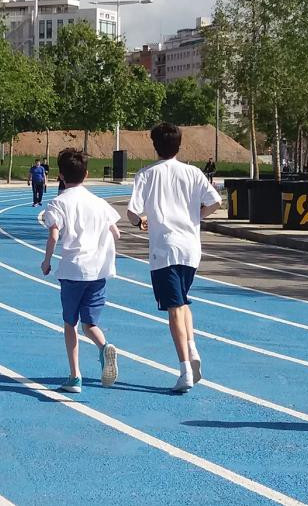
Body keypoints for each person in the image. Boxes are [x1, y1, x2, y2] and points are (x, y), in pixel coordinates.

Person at [127, 122, 223, 393]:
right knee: (182, 301)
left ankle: (184, 370)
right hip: (191, 248)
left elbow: (132, 212)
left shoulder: (146, 175)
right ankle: (192, 348)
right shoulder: (193, 172)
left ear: (154, 145)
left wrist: (140, 222)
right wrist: (196, 218)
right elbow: (216, 202)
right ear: (179, 145)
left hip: (164, 249)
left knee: (174, 309)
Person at [41, 148, 120, 393]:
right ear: (86, 174)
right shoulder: (99, 203)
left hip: (73, 270)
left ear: (61, 176)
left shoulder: (58, 202)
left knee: (70, 323)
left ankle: (75, 377)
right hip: (99, 271)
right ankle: (104, 346)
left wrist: (46, 261)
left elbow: (54, 233)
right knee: (90, 324)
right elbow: (116, 232)